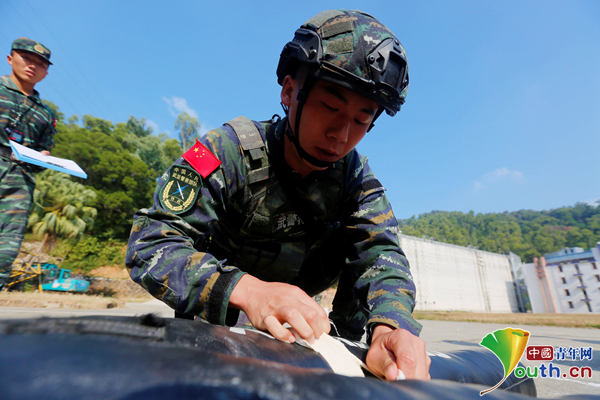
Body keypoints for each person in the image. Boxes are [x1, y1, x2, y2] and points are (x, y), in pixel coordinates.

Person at [126, 9, 430, 380]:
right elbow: (151, 242)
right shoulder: (227, 151)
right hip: (216, 328)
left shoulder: (355, 178)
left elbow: (382, 256)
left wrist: (391, 327)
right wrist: (250, 292)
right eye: (330, 107)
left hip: (304, 335)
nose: (342, 133)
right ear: (290, 91)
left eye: (362, 120)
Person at [0, 38, 56, 290]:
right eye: (27, 59)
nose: (33, 66)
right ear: (11, 59)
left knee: (7, 245)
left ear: (46, 72)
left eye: (40, 64)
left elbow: (45, 150)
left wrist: (43, 157)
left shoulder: (45, 113)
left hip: (19, 178)